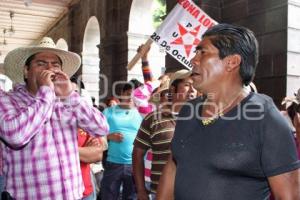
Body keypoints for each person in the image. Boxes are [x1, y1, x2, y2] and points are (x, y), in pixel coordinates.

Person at [156, 24, 300, 200]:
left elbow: (289, 196)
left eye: (203, 53)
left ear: (232, 62)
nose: (193, 60)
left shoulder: (265, 117)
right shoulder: (188, 110)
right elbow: (173, 166)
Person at [0, 37, 109, 199]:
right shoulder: (8, 100)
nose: (50, 68)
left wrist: (70, 96)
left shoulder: (69, 101)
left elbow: (101, 128)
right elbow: (16, 137)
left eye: (55, 64)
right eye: (41, 63)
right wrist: (46, 94)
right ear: (26, 71)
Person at [133, 69, 197, 200]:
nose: (192, 90)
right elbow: (137, 155)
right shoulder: (153, 118)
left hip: (195, 192)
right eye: (187, 85)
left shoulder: (204, 118)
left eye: (194, 85)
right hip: (161, 193)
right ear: (173, 89)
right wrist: (141, 189)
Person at [100, 80, 143, 200]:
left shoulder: (142, 114)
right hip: (113, 163)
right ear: (122, 93)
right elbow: (95, 135)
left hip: (135, 165)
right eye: (128, 93)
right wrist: (109, 136)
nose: (131, 97)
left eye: (135, 94)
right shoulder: (108, 112)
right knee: (108, 197)